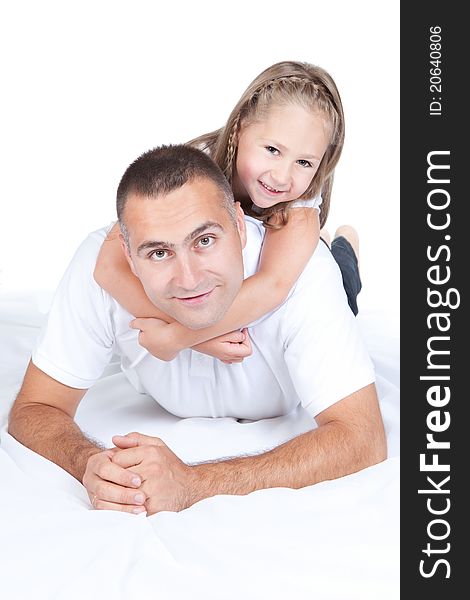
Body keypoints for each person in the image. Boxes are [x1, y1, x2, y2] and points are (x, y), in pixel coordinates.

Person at [8, 144, 386, 517]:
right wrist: (92, 464)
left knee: (342, 278)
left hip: (329, 279)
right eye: (159, 253)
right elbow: (35, 407)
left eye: (205, 241)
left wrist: (193, 484)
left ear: (239, 226)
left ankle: (344, 245)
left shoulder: (305, 276)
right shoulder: (100, 267)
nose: (189, 279)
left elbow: (363, 438)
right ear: (127, 254)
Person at [93, 61, 353, 364]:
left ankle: (345, 246)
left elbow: (273, 285)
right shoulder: (195, 167)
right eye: (272, 150)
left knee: (337, 286)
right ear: (240, 128)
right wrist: (202, 339)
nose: (282, 176)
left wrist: (178, 337)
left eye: (304, 163)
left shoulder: (301, 207)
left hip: (311, 261)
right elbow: (108, 268)